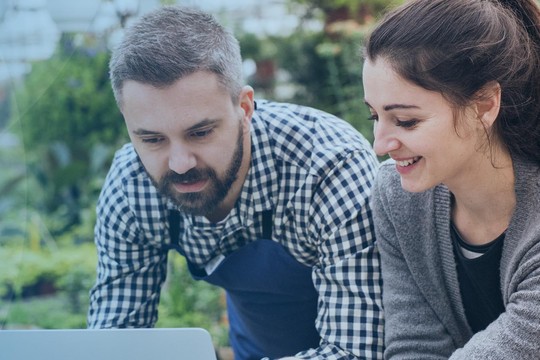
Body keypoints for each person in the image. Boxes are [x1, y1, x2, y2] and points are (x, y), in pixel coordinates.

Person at [87, 5, 384, 360]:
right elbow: (115, 338)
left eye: (200, 132)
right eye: (152, 139)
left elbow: (357, 351)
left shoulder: (328, 166)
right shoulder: (131, 185)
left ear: (244, 107)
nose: (180, 164)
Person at [362, 0, 540, 358]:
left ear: (485, 105)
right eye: (374, 117)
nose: (380, 145)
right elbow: (414, 345)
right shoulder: (396, 195)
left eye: (407, 121)